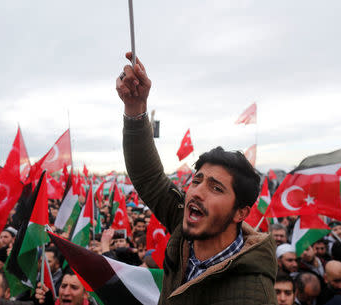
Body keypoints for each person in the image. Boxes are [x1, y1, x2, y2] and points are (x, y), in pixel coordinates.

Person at [117, 52, 277, 304]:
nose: (197, 192)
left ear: (240, 213)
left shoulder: (253, 294)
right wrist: (135, 108)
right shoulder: (184, 228)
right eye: (197, 180)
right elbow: (148, 176)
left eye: (216, 188)